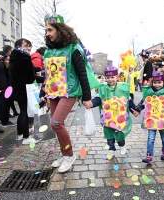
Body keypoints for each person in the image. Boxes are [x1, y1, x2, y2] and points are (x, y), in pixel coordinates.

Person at [40, 12, 99, 173]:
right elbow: (47, 74)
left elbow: (82, 73)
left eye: (50, 30)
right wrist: (42, 92)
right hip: (53, 92)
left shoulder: (73, 48)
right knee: (59, 125)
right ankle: (64, 153)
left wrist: (86, 96)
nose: (47, 34)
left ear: (60, 30)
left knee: (56, 123)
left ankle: (69, 155)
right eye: (46, 31)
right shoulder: (48, 51)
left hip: (70, 91)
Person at [84, 64, 139, 157]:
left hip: (120, 118)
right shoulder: (103, 88)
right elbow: (98, 99)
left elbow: (128, 101)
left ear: (117, 77)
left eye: (112, 77)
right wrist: (92, 104)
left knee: (120, 135)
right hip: (108, 118)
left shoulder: (123, 88)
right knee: (109, 135)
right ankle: (111, 149)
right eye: (108, 77)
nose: (110, 79)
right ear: (105, 78)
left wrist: (134, 110)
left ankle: (122, 146)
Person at [135, 69, 164, 164]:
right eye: (155, 82)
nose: (157, 84)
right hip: (152, 120)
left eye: (159, 82)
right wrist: (138, 109)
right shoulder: (149, 91)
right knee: (151, 138)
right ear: (152, 82)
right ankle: (149, 156)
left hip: (163, 120)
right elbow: (144, 101)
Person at [9, 38, 36, 144]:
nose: (29, 48)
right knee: (24, 111)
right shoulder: (24, 57)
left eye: (30, 46)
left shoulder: (14, 56)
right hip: (24, 87)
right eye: (26, 46)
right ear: (19, 46)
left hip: (17, 87)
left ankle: (20, 135)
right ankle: (26, 137)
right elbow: (29, 75)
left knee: (22, 111)